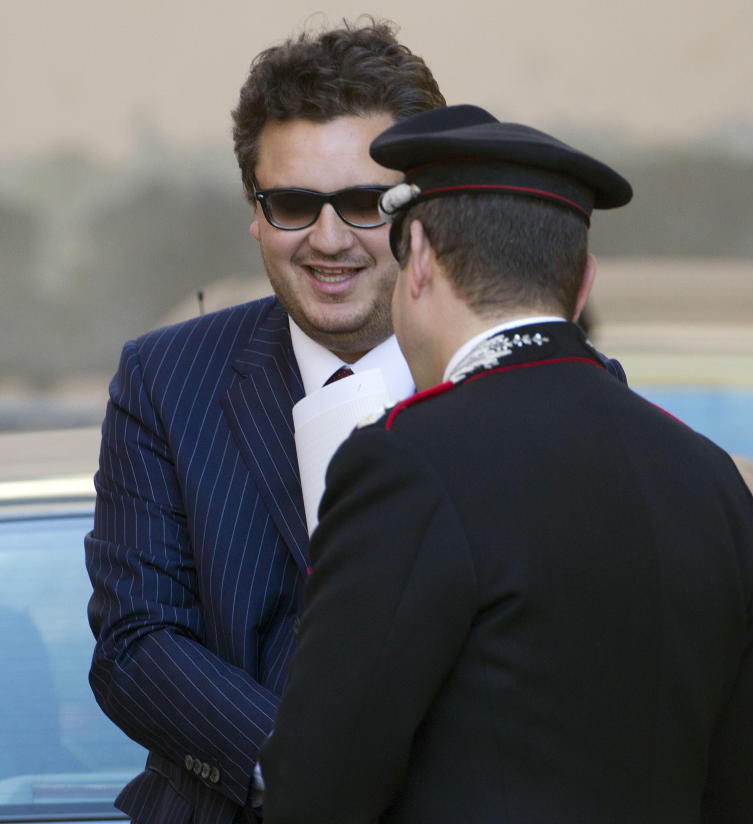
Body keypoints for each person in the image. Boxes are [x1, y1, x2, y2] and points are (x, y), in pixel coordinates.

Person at [261, 104, 753, 824]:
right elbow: (743, 789)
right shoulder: (710, 476)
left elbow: (317, 788)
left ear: (421, 265)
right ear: (584, 281)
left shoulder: (404, 461)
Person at [84, 21, 446, 824]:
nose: (327, 240)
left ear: (425, 206)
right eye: (292, 204)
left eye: (361, 202)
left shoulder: (522, 382)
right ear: (256, 212)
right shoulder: (164, 381)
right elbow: (137, 643)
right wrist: (306, 772)